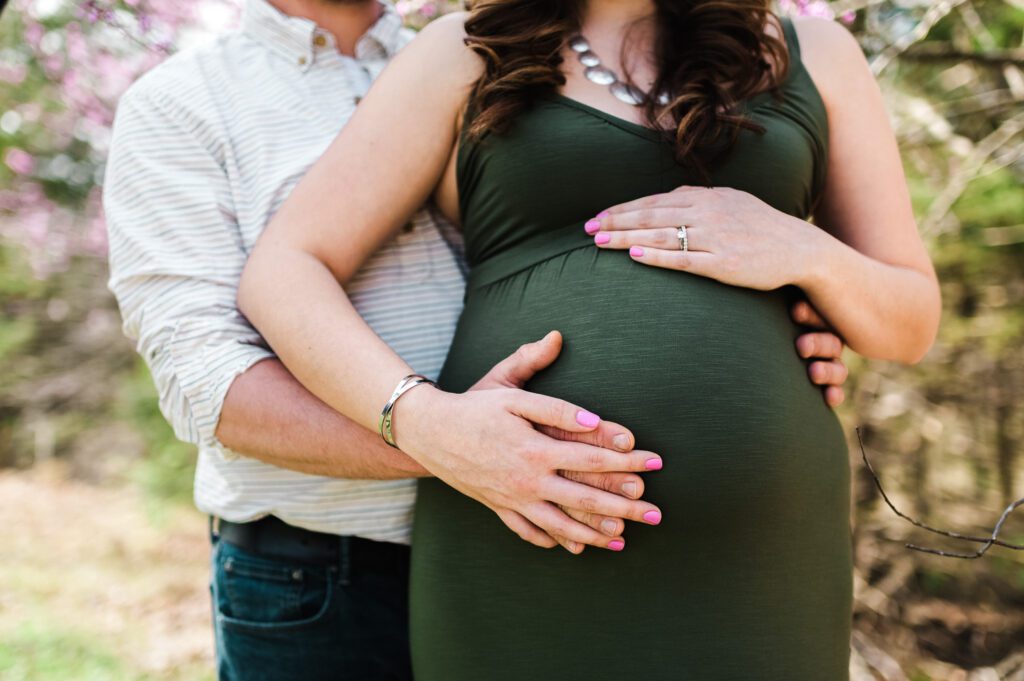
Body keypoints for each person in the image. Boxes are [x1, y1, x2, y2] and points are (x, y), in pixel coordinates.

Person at [106, 0, 852, 679]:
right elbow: (208, 382)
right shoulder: (185, 101)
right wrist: (444, 437)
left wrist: (781, 320)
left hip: (550, 539)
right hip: (322, 572)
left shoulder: (496, 51)